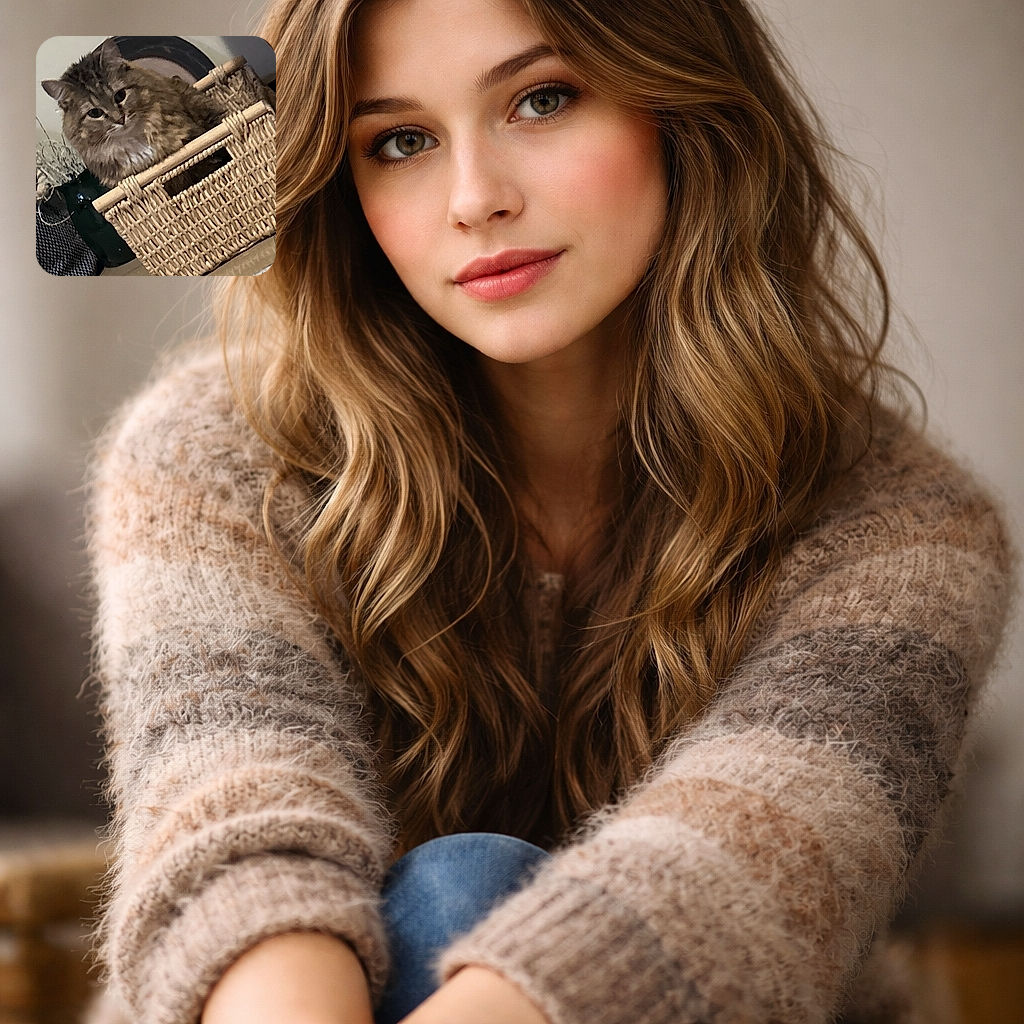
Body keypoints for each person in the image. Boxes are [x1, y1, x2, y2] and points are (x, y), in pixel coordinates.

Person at [84, 0, 1017, 1022]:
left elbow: (719, 888)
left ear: (687, 114)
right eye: (398, 142)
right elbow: (234, 826)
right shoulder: (211, 449)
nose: (475, 199)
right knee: (458, 884)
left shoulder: (904, 524)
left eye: (542, 99)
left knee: (473, 884)